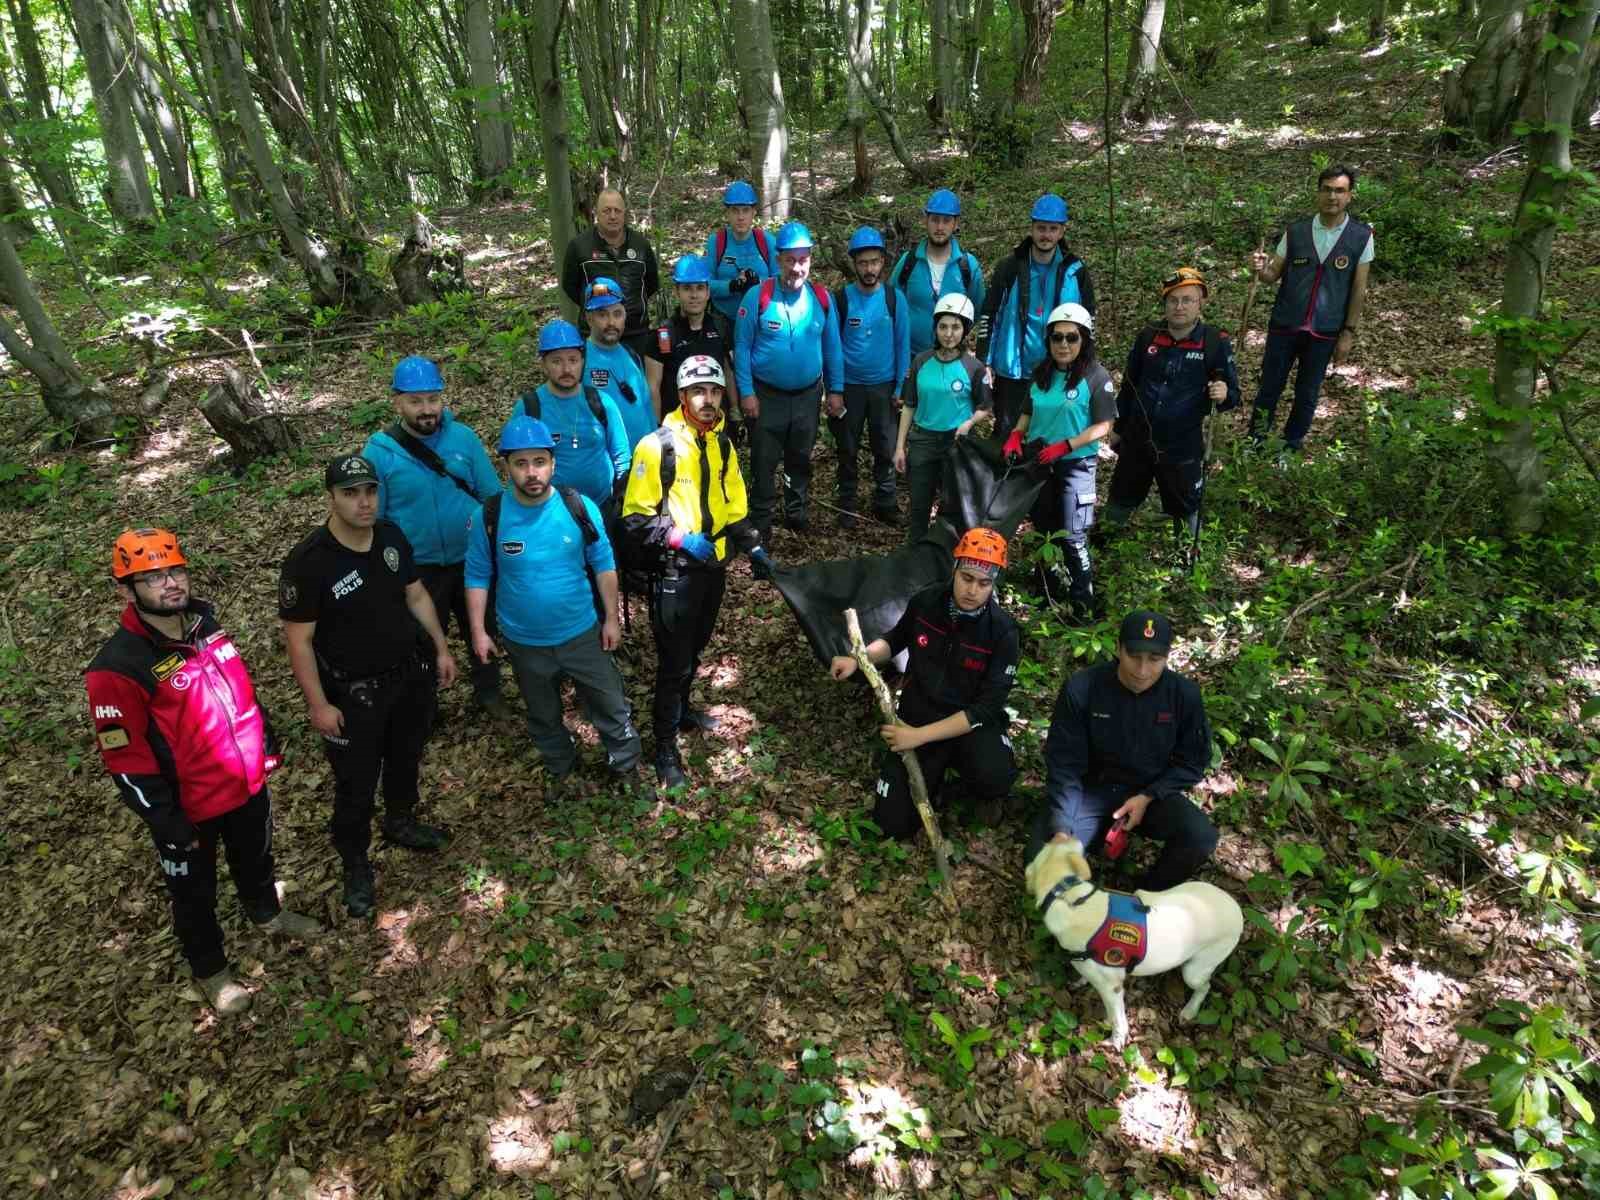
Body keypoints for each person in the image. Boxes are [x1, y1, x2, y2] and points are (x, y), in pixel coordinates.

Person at [87, 529, 321, 1015]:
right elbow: (126, 759)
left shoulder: (206, 628)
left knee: (257, 856)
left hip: (244, 784)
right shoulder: (118, 666)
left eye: (175, 570)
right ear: (126, 591)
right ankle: (210, 969)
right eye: (152, 578)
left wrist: (265, 746)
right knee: (195, 895)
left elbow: (239, 694)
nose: (170, 584)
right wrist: (167, 822)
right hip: (188, 808)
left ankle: (267, 913)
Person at [279, 455, 460, 919]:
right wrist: (318, 705)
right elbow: (298, 642)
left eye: (370, 491)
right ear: (332, 498)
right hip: (352, 694)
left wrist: (440, 647)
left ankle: (401, 820)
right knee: (355, 783)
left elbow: (415, 594)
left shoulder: (391, 537)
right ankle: (355, 861)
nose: (364, 502)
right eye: (351, 493)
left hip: (406, 677)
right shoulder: (309, 561)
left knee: (406, 756)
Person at [621, 356, 775, 787]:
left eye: (715, 391)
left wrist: (754, 547)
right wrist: (679, 538)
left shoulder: (721, 445)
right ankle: (664, 748)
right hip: (676, 571)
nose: (708, 400)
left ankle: (683, 711)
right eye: (698, 392)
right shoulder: (658, 446)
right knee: (673, 663)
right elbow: (634, 520)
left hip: (712, 569)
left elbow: (733, 509)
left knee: (694, 652)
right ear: (683, 396)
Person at [465, 417, 642, 792]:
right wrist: (479, 631)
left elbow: (603, 562)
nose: (532, 472)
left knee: (610, 703)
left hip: (581, 632)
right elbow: (478, 574)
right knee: (543, 713)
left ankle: (626, 767)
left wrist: (611, 618)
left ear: (553, 463)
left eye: (539, 461)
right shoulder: (491, 516)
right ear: (507, 466)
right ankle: (562, 771)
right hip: (523, 640)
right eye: (521, 463)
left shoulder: (579, 507)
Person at [829, 528, 1019, 836]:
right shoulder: (927, 601)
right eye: (967, 578)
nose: (973, 590)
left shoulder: (1003, 631)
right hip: (920, 712)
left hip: (967, 724)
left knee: (997, 776)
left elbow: (986, 709)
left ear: (993, 584)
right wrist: (857, 658)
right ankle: (934, 780)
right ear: (954, 570)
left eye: (984, 583)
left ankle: (967, 788)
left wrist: (919, 737)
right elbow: (895, 640)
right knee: (890, 826)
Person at [362, 355, 508, 720]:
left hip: (471, 559)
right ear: (397, 401)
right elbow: (373, 519)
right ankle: (425, 705)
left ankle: (489, 693)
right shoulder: (380, 452)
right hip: (418, 569)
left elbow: (492, 496)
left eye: (432, 399)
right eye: (415, 401)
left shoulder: (464, 439)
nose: (426, 409)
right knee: (423, 639)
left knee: (483, 626)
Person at [1030, 610, 1218, 892]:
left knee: (1200, 836)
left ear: (1167, 656)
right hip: (1087, 792)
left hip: (1150, 793)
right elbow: (1064, 763)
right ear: (1118, 649)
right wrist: (1062, 829)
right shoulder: (1083, 688)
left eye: (1154, 660)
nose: (1142, 670)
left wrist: (1150, 795)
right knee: (1043, 861)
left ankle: (1146, 897)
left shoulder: (1183, 695)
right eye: (1134, 656)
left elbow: (1193, 759)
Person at [1104, 268, 1239, 546]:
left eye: (1187, 300)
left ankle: (1185, 560)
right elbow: (1129, 385)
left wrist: (1223, 393)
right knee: (1120, 498)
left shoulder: (1214, 342)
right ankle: (1105, 549)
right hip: (1137, 439)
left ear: (1200, 303)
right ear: (1165, 303)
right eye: (1173, 300)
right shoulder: (1148, 337)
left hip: (1182, 446)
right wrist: (1118, 428)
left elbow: (1233, 395)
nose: (1179, 307)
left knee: (1185, 506)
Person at [1248, 165, 1373, 453]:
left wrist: (1348, 333)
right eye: (1327, 189)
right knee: (1269, 388)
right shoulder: (1296, 231)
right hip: (1285, 325)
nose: (1333, 196)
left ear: (1350, 196)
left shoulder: (1361, 237)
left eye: (1339, 190)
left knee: (1307, 394)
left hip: (1325, 331)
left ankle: (1290, 447)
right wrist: (1258, 267)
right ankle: (1254, 443)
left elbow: (1358, 289)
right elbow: (1271, 274)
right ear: (1318, 193)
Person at [1002, 302, 1115, 618]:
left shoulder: (1095, 376)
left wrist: (1067, 445)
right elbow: (1027, 411)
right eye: (1057, 337)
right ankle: (1046, 591)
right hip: (1040, 461)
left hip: (1075, 466)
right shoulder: (1042, 374)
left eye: (1072, 337)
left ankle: (1082, 604)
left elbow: (1104, 425)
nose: (1064, 344)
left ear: (1084, 340)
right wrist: (1015, 435)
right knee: (1043, 530)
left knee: (1073, 536)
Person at [733, 221, 844, 541]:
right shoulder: (758, 297)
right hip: (767, 396)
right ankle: (762, 523)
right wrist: (746, 393)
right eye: (790, 260)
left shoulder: (822, 299)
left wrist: (835, 390)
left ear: (810, 259)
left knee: (800, 456)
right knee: (764, 461)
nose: (797, 268)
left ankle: (796, 512)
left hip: (809, 396)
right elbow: (741, 347)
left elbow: (833, 347)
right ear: (778, 260)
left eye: (803, 259)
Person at [976, 193, 1096, 433]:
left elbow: (1089, 319)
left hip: (1058, 368)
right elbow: (990, 315)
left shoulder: (1075, 270)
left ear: (1062, 231)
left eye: (1053, 228)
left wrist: (1086, 362)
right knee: (1008, 433)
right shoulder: (1010, 267)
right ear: (1031, 228)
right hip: (1013, 370)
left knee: (1048, 434)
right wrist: (984, 362)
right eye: (1041, 228)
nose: (1046, 235)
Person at [829, 227, 911, 529]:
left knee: (885, 447)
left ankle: (886, 501)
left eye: (874, 262)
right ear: (854, 264)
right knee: (847, 448)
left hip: (884, 386)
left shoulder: (894, 299)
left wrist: (901, 386)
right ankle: (847, 503)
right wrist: (834, 389)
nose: (869, 269)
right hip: (850, 387)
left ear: (882, 263)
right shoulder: (842, 300)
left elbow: (903, 344)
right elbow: (833, 346)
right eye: (863, 263)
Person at [894, 294, 990, 541]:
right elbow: (909, 405)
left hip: (956, 445)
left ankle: (946, 558)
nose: (949, 333)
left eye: (956, 327)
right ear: (935, 328)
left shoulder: (974, 367)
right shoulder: (921, 361)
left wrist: (969, 422)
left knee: (953, 506)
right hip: (922, 442)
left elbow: (985, 406)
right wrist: (900, 447)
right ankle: (915, 557)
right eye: (943, 326)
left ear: (965, 329)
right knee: (919, 507)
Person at [514, 319, 632, 516]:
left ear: (582, 362)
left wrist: (621, 499)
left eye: (573, 360)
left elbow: (621, 455)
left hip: (604, 508)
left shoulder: (601, 402)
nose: (567, 369)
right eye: (557, 361)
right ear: (544, 364)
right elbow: (516, 463)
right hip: (553, 514)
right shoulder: (529, 408)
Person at [560, 187, 661, 359]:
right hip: (594, 336)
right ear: (596, 213)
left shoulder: (641, 245)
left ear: (624, 213)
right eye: (606, 211)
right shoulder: (579, 247)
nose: (612, 216)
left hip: (636, 335)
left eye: (617, 210)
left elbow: (651, 284)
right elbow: (571, 287)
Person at [890, 189, 986, 357]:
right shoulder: (908, 262)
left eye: (946, 221)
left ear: (955, 224)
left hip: (953, 356)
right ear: (925, 220)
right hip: (911, 356)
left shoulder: (967, 266)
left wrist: (958, 334)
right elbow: (891, 303)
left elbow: (977, 309)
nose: (940, 227)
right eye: (934, 220)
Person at [650, 255, 736, 436]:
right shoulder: (663, 334)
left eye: (700, 288)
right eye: (687, 288)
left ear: (708, 292)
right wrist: (658, 430)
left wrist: (735, 412)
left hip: (715, 424)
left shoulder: (720, 327)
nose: (694, 295)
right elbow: (653, 386)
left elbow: (728, 371)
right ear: (677, 292)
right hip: (677, 430)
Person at [583, 277, 662, 453]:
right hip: (608, 466)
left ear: (625, 315)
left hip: (644, 461)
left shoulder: (632, 354)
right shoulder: (579, 361)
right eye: (602, 314)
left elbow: (647, 406)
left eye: (617, 314)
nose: (611, 322)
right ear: (589, 318)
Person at [705, 180, 776, 324]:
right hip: (723, 321)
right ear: (727, 213)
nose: (741, 217)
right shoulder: (716, 242)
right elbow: (704, 285)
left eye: (745, 210)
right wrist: (732, 286)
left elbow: (781, 281)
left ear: (753, 212)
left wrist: (758, 283)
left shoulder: (766, 241)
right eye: (735, 210)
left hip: (760, 319)